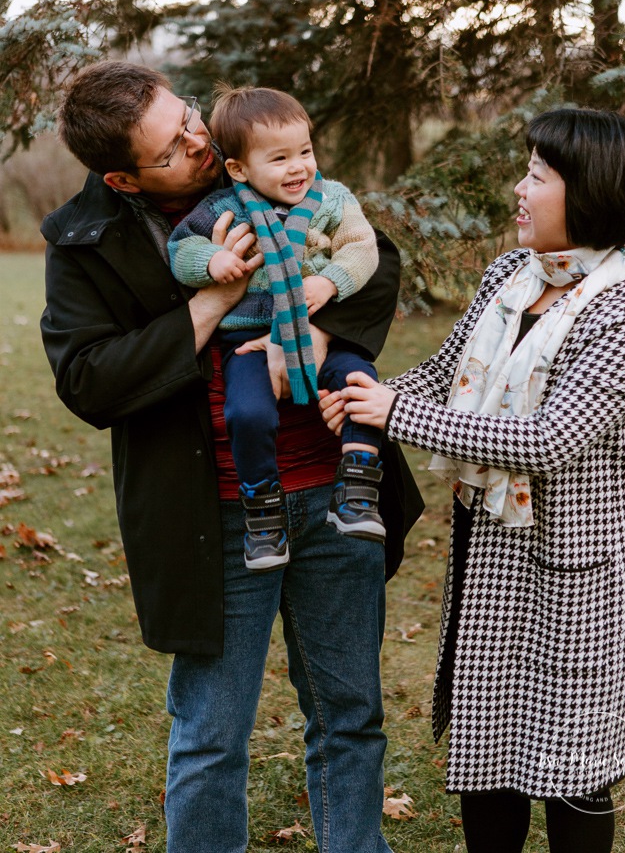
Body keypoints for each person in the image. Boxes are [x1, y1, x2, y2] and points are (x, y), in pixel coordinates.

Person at [40, 60, 423, 853]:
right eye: (172, 145)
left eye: (186, 116)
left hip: (331, 493)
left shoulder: (271, 166)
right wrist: (212, 301)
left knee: (349, 715)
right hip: (213, 514)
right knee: (211, 734)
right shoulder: (88, 243)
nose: (196, 139)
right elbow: (89, 382)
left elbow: (372, 260)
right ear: (125, 177)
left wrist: (314, 330)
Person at [320, 108, 625, 853]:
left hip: (581, 571)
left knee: (571, 767)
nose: (519, 189)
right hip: (491, 552)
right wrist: (364, 400)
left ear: (592, 193)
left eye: (537, 177)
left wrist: (392, 416)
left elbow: (546, 442)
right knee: (488, 754)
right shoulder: (510, 277)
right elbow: (444, 377)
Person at [168, 84, 386, 573]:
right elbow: (180, 251)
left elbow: (361, 247)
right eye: (280, 158)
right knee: (245, 414)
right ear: (239, 169)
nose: (299, 167)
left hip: (319, 329)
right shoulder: (223, 209)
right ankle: (263, 514)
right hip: (247, 341)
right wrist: (214, 261)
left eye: (305, 151)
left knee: (361, 387)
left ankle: (358, 487)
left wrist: (329, 285)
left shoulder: (332, 199)